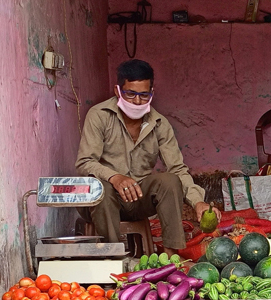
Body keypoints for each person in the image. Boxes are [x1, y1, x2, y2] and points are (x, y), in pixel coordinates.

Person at [76, 59, 219, 255]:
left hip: (137, 200)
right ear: (118, 91)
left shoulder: (159, 123)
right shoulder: (99, 115)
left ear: (152, 93)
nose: (137, 101)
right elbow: (85, 163)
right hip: (100, 201)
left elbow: (177, 169)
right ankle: (113, 257)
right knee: (102, 189)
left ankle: (171, 258)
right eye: (130, 94)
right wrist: (115, 177)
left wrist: (197, 202)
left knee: (169, 180)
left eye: (144, 95)